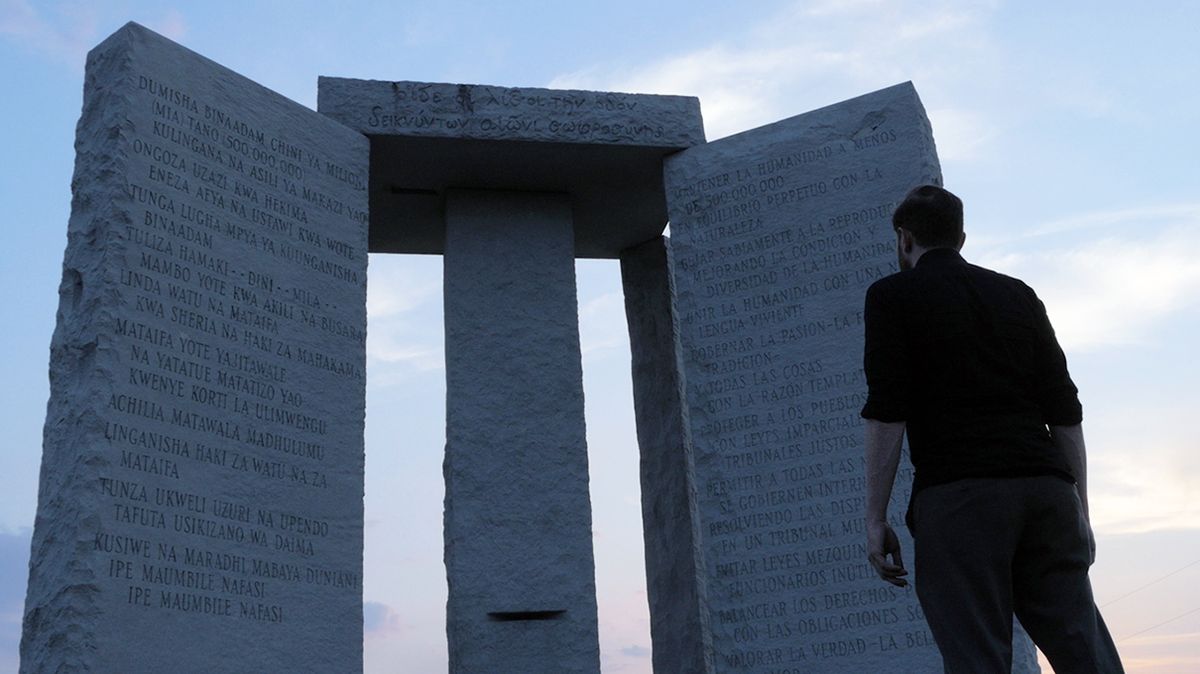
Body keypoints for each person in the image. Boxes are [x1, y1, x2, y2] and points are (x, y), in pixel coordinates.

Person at [860, 185, 1124, 673]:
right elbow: (1065, 411)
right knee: (1086, 656)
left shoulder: (891, 296)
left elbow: (887, 410)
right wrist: (1081, 510)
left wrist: (875, 518)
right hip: (1047, 493)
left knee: (977, 659)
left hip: (960, 500)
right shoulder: (1017, 294)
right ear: (962, 238)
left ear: (904, 238)